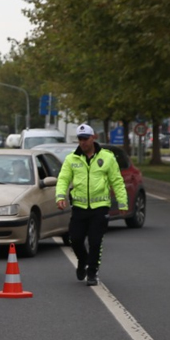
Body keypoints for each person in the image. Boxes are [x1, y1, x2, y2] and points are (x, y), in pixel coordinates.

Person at [56, 123, 127, 286]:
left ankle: (92, 272)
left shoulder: (107, 157)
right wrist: (60, 196)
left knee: (95, 241)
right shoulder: (71, 159)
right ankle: (82, 261)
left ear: (93, 138)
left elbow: (117, 181)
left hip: (100, 208)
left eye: (85, 139)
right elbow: (63, 179)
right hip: (79, 208)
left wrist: (123, 203)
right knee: (75, 239)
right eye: (80, 139)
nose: (83, 142)